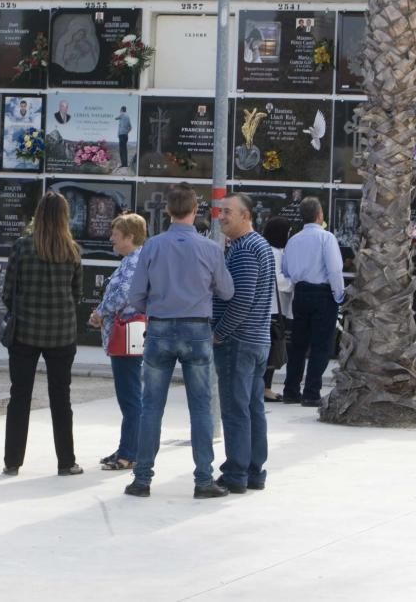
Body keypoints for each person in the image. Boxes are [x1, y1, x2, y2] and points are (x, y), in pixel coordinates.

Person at [125, 183, 235, 499]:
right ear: (195, 210)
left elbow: (135, 296)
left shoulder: (152, 246)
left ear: (168, 210)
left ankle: (142, 479)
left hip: (159, 329)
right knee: (200, 408)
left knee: (151, 408)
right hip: (197, 330)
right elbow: (227, 291)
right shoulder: (210, 248)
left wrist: (158, 309)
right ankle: (203, 480)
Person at [2, 191, 83, 477]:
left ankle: (12, 461)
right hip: (61, 334)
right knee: (61, 399)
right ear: (64, 217)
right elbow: (77, 294)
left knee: (19, 396)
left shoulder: (22, 247)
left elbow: (7, 292)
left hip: (24, 332)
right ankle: (66, 461)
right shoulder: (72, 250)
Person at [212, 193, 276, 494]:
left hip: (239, 342)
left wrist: (219, 332)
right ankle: (253, 471)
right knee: (252, 407)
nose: (221, 216)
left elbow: (242, 299)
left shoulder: (246, 250)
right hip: (255, 340)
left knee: (236, 409)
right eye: (220, 210)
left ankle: (236, 473)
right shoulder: (256, 245)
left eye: (228, 212)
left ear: (246, 216)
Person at [88, 213, 147, 471]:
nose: (111, 238)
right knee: (129, 395)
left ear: (130, 237)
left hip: (127, 336)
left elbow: (124, 293)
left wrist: (100, 313)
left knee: (130, 395)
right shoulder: (132, 260)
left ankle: (129, 453)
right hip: (125, 336)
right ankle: (128, 447)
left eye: (116, 234)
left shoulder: (134, 262)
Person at [281, 197, 345, 406]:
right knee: (321, 345)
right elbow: (335, 269)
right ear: (320, 215)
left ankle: (291, 390)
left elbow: (286, 270)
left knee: (298, 344)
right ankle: (311, 392)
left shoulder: (293, 240)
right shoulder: (326, 238)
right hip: (323, 294)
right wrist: (339, 295)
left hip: (301, 293)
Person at [261, 217, 293, 402]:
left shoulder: (270, 249)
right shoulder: (274, 252)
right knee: (272, 351)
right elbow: (279, 280)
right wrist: (294, 282)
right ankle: (266, 389)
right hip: (273, 308)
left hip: (271, 307)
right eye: (288, 232)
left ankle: (265, 388)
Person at [115, 106, 132, 173]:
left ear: (122, 110)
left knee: (121, 150)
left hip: (121, 135)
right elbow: (130, 127)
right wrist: (126, 132)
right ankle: (125, 164)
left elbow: (116, 118)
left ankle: (123, 164)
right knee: (125, 149)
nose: (120, 111)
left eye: (120, 110)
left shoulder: (122, 114)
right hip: (125, 135)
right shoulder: (128, 116)